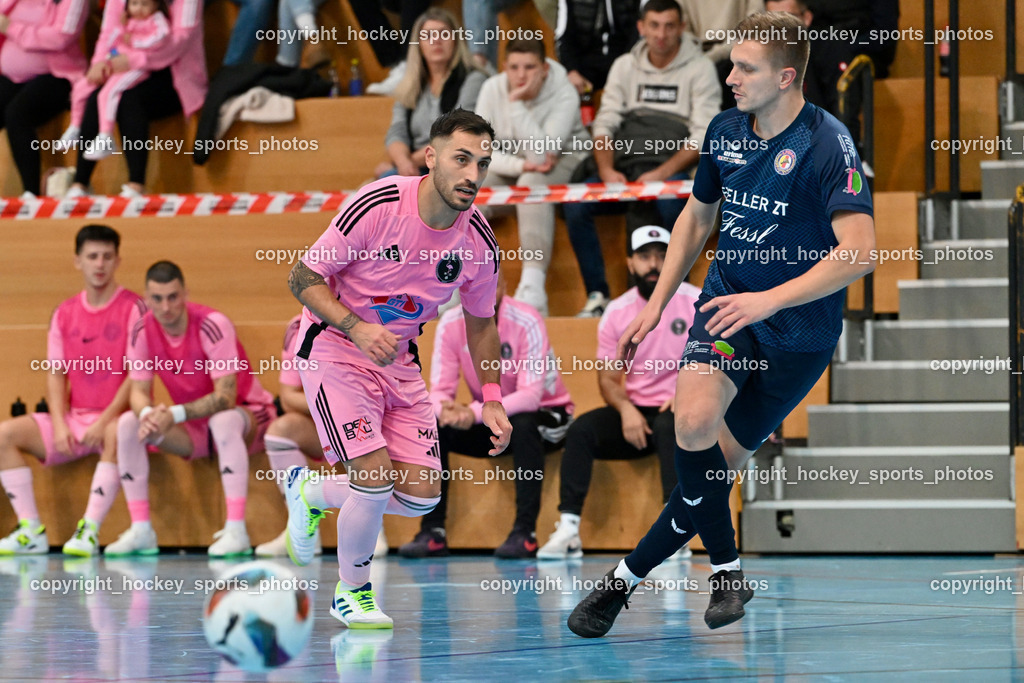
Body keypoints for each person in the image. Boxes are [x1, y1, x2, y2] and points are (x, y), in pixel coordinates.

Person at [567, 10, 875, 637]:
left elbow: (861, 253)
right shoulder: (725, 129)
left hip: (799, 334)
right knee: (692, 423)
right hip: (727, 304)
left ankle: (624, 580)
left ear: (786, 77)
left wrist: (770, 301)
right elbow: (696, 217)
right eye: (731, 63)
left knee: (706, 481)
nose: (729, 77)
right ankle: (726, 571)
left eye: (745, 68)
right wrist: (656, 304)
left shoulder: (827, 142)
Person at [284, 108, 511, 629]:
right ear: (430, 157)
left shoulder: (478, 241)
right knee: (373, 478)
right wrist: (357, 327)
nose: (472, 174)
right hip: (335, 347)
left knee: (419, 498)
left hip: (399, 359)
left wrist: (493, 397)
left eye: (482, 163)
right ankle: (353, 592)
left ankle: (311, 492)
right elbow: (302, 277)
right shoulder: (378, 203)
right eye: (460, 159)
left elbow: (481, 324)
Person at [537, 212, 700, 560]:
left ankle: (674, 532)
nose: (653, 264)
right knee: (581, 430)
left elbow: (718, 359)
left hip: (682, 409)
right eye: (645, 256)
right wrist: (625, 409)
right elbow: (609, 378)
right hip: (637, 413)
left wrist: (687, 394)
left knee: (670, 425)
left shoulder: (695, 301)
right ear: (630, 263)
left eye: (662, 255)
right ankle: (568, 528)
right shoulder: (617, 311)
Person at [399, 268, 573, 559]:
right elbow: (439, 391)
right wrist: (447, 411)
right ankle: (433, 531)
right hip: (490, 416)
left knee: (524, 424)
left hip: (547, 414)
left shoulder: (527, 319)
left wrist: (472, 413)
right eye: (476, 285)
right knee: (434, 424)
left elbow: (530, 397)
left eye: (494, 284)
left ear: (505, 285)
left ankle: (525, 533)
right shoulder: (450, 323)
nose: (487, 292)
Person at [105, 260, 275, 557]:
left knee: (223, 420)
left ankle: (237, 530)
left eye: (173, 297)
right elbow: (138, 392)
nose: (166, 306)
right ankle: (141, 530)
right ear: (147, 299)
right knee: (128, 424)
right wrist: (148, 416)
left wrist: (173, 414)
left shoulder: (213, 323)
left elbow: (225, 397)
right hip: (194, 427)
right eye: (157, 298)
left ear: (185, 294)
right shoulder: (141, 329)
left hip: (248, 414)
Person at [562, 0, 720, 318]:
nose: (661, 34)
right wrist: (607, 170)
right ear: (641, 27)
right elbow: (605, 123)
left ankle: (676, 293)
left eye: (669, 26)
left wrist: (661, 173)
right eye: (654, 25)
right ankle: (597, 294)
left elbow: (704, 135)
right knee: (576, 203)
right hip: (626, 162)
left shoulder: (700, 68)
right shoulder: (624, 65)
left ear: (682, 27)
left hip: (673, 165)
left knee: (675, 205)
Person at [0, 225, 144, 555]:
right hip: (74, 418)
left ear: (118, 260)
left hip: (117, 419)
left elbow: (137, 375)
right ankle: (30, 531)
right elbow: (55, 374)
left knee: (118, 431)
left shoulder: (135, 308)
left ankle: (89, 530)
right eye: (92, 256)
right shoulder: (64, 313)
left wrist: (103, 420)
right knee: (4, 434)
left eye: (107, 256)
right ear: (77, 261)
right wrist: (60, 423)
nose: (99, 264)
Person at [254, 315, 389, 559]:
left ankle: (370, 526)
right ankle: (301, 528)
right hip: (327, 418)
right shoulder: (298, 326)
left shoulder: (372, 322)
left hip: (374, 421)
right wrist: (335, 407)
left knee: (353, 431)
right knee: (281, 431)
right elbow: (289, 397)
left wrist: (348, 411)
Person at [474, 38, 589, 315]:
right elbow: (479, 149)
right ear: (504, 67)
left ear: (545, 68)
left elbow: (542, 156)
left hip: (568, 159)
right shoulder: (491, 88)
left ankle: (532, 288)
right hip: (518, 165)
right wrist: (519, 166)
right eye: (514, 67)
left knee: (531, 185)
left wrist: (516, 103)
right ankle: (461, 281)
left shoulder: (564, 92)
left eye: (529, 67)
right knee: (469, 191)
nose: (521, 75)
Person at [65, 0, 207, 198]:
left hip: (173, 77)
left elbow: (181, 40)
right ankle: (81, 182)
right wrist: (101, 62)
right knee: (94, 96)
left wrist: (136, 60)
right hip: (127, 69)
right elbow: (110, 34)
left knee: (128, 98)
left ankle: (136, 183)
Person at [377, 8, 487, 178]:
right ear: (418, 44)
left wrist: (409, 163)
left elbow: (458, 134)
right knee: (384, 181)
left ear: (456, 41)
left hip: (456, 167)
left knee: (389, 178)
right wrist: (402, 163)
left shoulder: (473, 79)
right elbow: (396, 133)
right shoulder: (410, 84)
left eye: (444, 34)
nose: (436, 41)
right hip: (418, 167)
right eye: (428, 35)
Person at [59, 0, 171, 159]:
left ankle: (106, 136)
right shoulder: (126, 21)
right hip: (116, 61)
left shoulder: (157, 20)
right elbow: (113, 41)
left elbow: (161, 38)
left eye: (145, 4)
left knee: (107, 93)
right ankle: (75, 126)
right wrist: (104, 60)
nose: (139, 9)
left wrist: (134, 42)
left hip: (136, 66)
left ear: (156, 5)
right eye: (134, 4)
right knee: (82, 87)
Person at [0, 0, 89, 198]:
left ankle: (30, 193)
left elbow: (61, 37)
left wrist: (12, 28)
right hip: (10, 77)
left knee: (17, 113)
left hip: (57, 76)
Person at [678, 0, 764, 110]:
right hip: (696, 54)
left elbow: (753, 29)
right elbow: (682, 32)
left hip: (735, 52)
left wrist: (708, 58)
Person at [555, 0, 639, 94]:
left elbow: (641, 33)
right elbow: (563, 37)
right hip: (584, 66)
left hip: (626, 63)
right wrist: (571, 71)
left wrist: (627, 67)